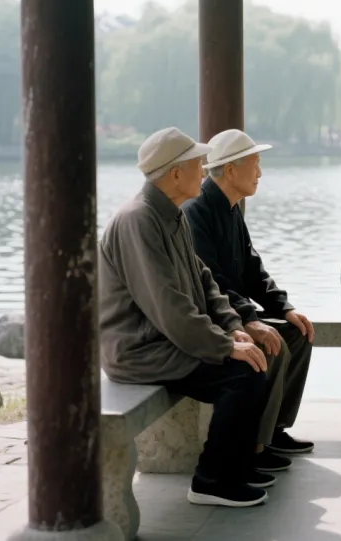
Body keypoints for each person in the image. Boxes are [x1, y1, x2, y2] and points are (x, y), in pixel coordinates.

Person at [98, 127, 272, 508]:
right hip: (140, 351)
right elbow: (170, 308)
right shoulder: (138, 220)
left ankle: (236, 467)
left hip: (167, 339)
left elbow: (204, 281)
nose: (204, 170)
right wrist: (225, 347)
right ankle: (212, 480)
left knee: (253, 361)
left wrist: (233, 327)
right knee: (242, 374)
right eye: (197, 163)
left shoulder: (170, 215)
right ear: (175, 173)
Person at [183, 128, 315, 460]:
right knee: (274, 344)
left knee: (297, 332)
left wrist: (284, 308)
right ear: (230, 170)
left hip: (236, 313)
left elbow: (253, 269)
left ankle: (274, 431)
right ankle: (254, 445)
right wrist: (249, 320)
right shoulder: (197, 211)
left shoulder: (232, 208)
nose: (260, 173)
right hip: (215, 320)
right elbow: (211, 282)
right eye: (254, 164)